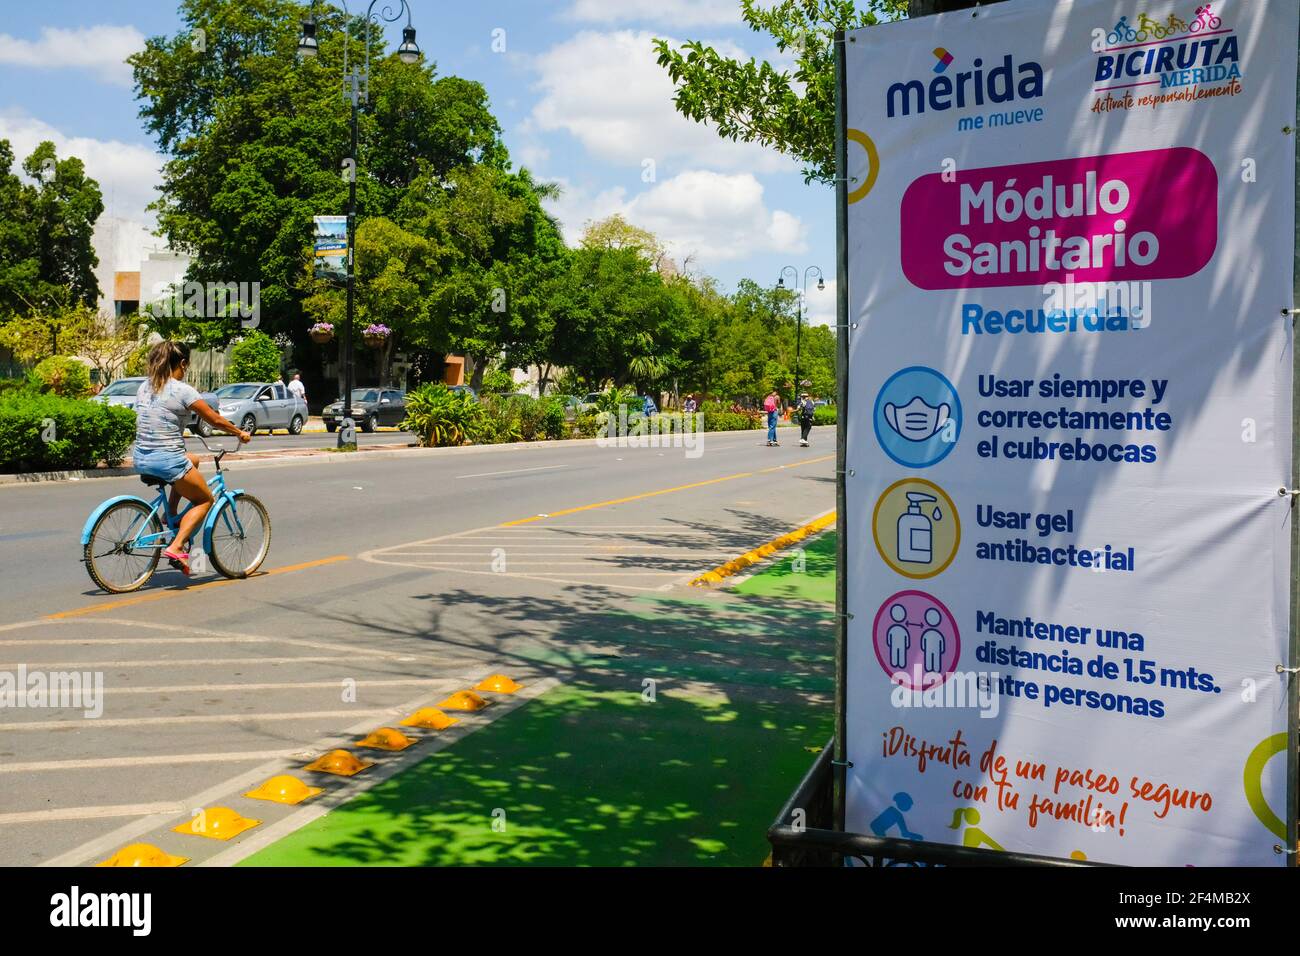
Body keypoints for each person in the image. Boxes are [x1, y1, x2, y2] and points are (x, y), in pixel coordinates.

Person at [133, 341, 250, 575]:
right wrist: (239, 432)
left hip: (141, 457)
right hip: (167, 460)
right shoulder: (183, 390)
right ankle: (177, 547)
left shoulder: (145, 386)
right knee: (206, 500)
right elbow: (214, 419)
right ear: (183, 363)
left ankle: (171, 514)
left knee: (193, 459)